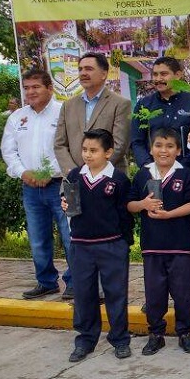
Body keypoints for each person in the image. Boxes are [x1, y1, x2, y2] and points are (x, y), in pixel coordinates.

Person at [127, 128, 190, 356]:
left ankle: (185, 333)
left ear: (179, 150)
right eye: (158, 145)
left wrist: (170, 214)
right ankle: (156, 334)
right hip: (152, 246)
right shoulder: (143, 174)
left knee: (182, 293)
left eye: (170, 146)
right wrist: (143, 205)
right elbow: (130, 204)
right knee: (154, 292)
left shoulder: (185, 174)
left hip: (180, 246)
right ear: (150, 149)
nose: (163, 150)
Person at [63, 129, 135, 362]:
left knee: (116, 294)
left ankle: (120, 339)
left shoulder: (119, 179)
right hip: (81, 245)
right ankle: (85, 339)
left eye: (93, 150)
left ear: (108, 152)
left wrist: (125, 242)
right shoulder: (75, 175)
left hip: (112, 245)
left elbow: (126, 214)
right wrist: (64, 204)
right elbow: (68, 204)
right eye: (85, 149)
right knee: (84, 294)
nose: (87, 155)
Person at [1, 69, 73, 300]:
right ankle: (46, 282)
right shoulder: (17, 117)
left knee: (70, 235)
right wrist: (23, 172)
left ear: (49, 88)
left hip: (60, 185)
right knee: (38, 238)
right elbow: (8, 150)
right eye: (27, 87)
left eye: (36, 87)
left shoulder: (64, 112)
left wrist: (47, 172)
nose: (30, 92)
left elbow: (68, 147)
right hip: (30, 187)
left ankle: (75, 282)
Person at [54, 52, 132, 175]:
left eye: (89, 69)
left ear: (104, 74)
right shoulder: (68, 105)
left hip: (109, 179)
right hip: (74, 180)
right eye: (80, 69)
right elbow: (60, 144)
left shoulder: (121, 104)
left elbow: (120, 145)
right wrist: (74, 172)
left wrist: (93, 172)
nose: (83, 73)